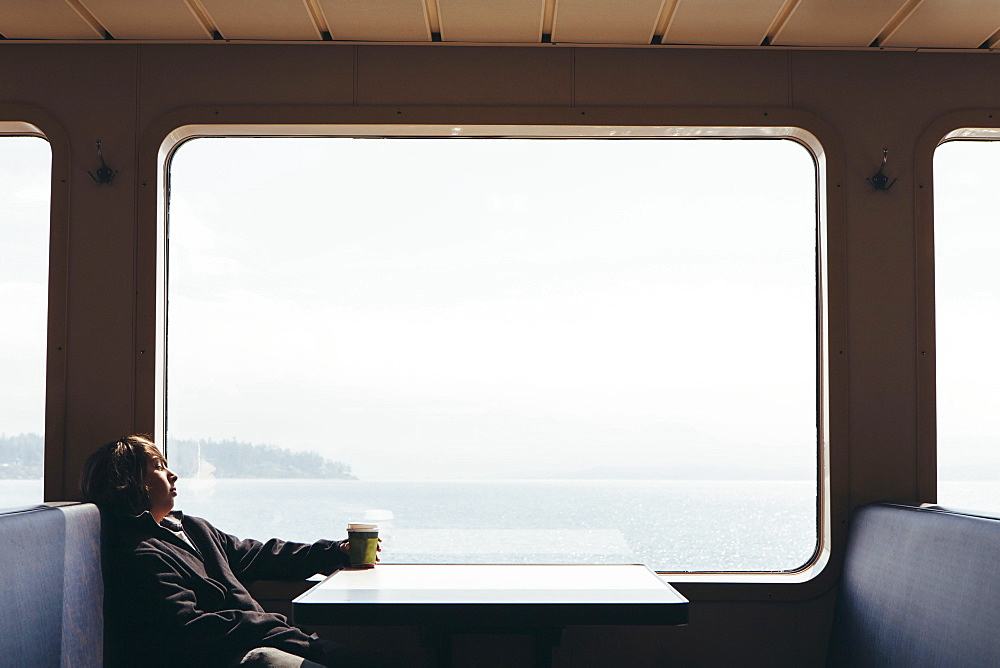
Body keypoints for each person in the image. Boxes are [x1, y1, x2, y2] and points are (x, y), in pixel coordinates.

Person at [81, 435, 374, 668]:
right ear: (131, 483)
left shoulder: (193, 530)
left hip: (266, 639)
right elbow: (187, 629)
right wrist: (267, 625)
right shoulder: (139, 554)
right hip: (230, 656)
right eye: (158, 466)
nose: (172, 475)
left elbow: (258, 556)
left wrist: (333, 553)